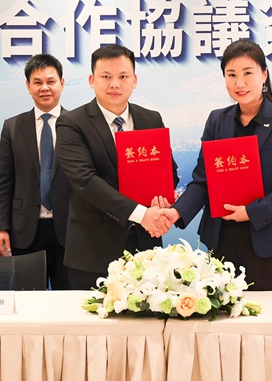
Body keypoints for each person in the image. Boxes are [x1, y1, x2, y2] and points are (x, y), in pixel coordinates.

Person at [163, 39, 272, 290]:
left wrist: (252, 211)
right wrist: (177, 211)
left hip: (269, 241)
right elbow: (203, 180)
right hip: (222, 239)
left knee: (269, 311)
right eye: (231, 75)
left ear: (264, 74)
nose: (239, 83)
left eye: (248, 73)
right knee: (221, 309)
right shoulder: (217, 120)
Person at [55, 44, 179, 289]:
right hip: (94, 250)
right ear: (92, 80)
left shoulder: (151, 118)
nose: (115, 84)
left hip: (145, 247)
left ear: (134, 80)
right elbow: (85, 181)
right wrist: (143, 214)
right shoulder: (72, 123)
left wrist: (160, 200)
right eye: (106, 77)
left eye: (123, 77)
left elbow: (168, 171)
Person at [0, 54, 72, 290]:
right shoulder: (13, 127)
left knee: (69, 301)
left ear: (61, 84)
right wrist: (1, 227)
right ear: (28, 86)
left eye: (51, 81)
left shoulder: (77, 124)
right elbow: (4, 181)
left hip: (69, 230)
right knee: (27, 301)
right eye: (37, 82)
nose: (44, 88)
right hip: (25, 230)